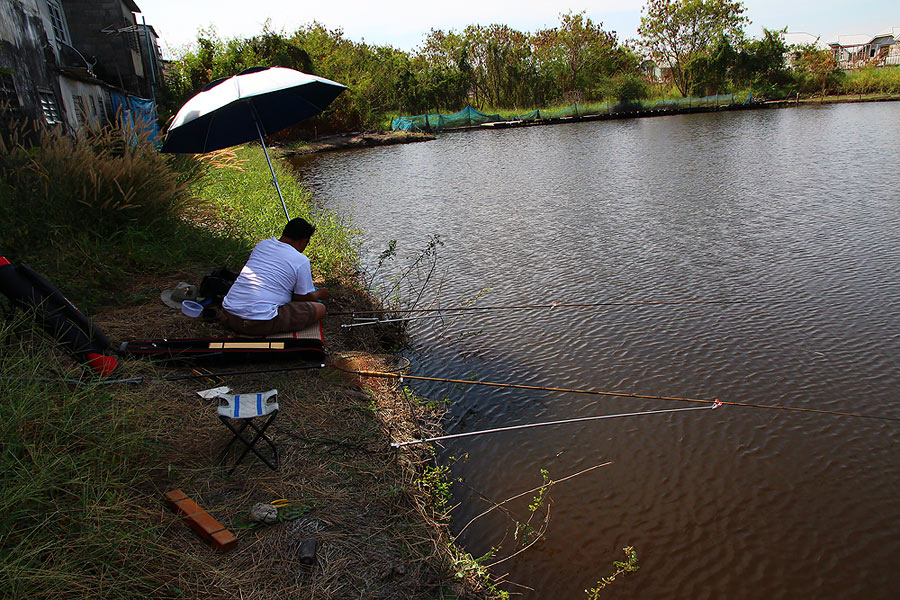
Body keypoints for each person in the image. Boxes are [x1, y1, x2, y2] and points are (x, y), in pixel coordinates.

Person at [218, 217, 330, 336]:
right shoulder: (301, 260)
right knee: (320, 309)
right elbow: (302, 297)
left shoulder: (262, 245)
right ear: (304, 240)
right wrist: (318, 294)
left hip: (228, 315)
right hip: (257, 323)